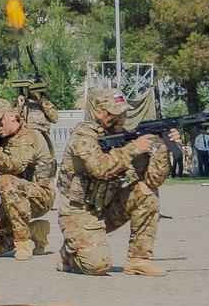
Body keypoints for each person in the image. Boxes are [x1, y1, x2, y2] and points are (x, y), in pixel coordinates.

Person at [55, 91, 179, 277]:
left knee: (146, 194)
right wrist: (134, 148)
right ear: (99, 112)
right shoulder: (84, 134)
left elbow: (153, 180)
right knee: (98, 266)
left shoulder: (125, 138)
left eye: (124, 113)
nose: (121, 118)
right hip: (79, 212)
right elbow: (100, 168)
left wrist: (161, 148)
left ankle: (139, 260)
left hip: (105, 207)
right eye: (115, 113)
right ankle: (69, 253)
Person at [0, 97, 56, 259]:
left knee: (6, 181)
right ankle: (36, 230)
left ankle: (23, 242)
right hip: (14, 198)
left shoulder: (28, 136)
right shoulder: (4, 139)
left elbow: (14, 166)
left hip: (40, 196)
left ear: (13, 115)